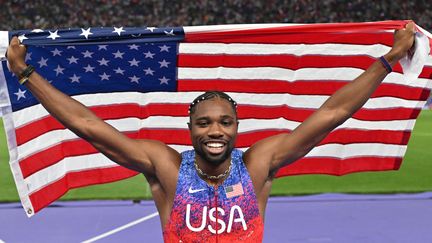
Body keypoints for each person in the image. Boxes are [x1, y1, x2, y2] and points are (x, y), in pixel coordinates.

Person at [6, 22, 415, 242]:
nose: (214, 130)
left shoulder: (259, 162)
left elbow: (333, 111)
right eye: (204, 123)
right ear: (189, 129)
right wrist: (26, 73)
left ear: (237, 128)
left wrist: (389, 59)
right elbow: (88, 126)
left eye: (224, 122)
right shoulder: (165, 166)